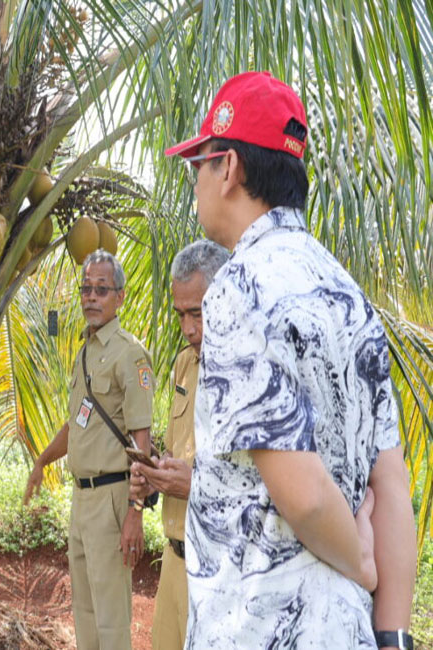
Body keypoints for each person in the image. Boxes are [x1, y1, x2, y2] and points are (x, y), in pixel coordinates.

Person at [165, 71, 417, 648]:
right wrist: (393, 637)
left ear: (228, 168)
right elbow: (391, 481)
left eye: (197, 165)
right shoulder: (349, 295)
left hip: (258, 629)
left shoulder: (238, 290)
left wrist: (358, 559)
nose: (195, 183)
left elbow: (301, 495)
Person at [24, 249, 153, 650]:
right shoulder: (85, 351)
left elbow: (141, 442)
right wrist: (43, 460)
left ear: (120, 297)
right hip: (81, 500)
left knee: (111, 617)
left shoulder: (130, 354)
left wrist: (135, 512)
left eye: (101, 289)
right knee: (85, 613)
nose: (91, 298)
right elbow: (77, 423)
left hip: (113, 498)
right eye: (86, 289)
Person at [128, 239, 229, 650]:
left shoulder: (252, 372)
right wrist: (154, 478)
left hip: (218, 570)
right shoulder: (185, 363)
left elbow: (270, 485)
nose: (189, 328)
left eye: (198, 313)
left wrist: (196, 485)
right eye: (181, 314)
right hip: (173, 561)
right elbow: (177, 453)